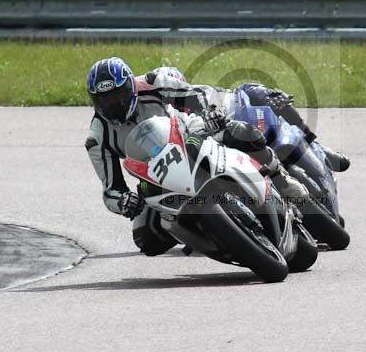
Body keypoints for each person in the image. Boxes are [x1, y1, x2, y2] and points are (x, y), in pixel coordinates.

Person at [85, 57, 308, 257]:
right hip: (157, 176)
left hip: (189, 136)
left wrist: (208, 113)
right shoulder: (97, 137)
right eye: (105, 100)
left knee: (241, 133)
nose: (113, 105)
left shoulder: (152, 84)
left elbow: (194, 95)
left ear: (131, 88)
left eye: (117, 96)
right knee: (147, 239)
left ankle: (281, 178)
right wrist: (123, 202)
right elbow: (110, 188)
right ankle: (206, 235)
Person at [141, 66, 350, 172]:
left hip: (244, 120)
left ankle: (317, 146)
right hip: (223, 150)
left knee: (252, 89)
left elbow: (234, 97)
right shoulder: (168, 118)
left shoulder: (203, 92)